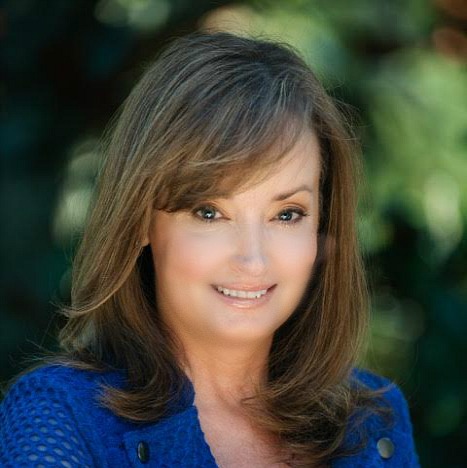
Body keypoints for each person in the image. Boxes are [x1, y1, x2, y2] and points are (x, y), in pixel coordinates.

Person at [0, 31, 419, 467]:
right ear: (141, 220)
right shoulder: (57, 414)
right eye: (209, 212)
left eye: (287, 214)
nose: (253, 259)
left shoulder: (374, 423)